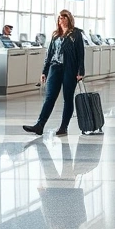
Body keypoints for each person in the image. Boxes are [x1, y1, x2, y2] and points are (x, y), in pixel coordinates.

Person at [23, 9, 86, 137]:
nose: (61, 20)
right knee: (50, 97)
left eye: (64, 17)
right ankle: (39, 125)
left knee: (68, 98)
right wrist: (44, 71)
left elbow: (81, 54)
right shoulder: (55, 35)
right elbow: (49, 54)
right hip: (55, 68)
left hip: (70, 69)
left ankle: (64, 127)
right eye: (60, 18)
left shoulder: (76, 34)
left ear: (69, 19)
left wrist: (81, 71)